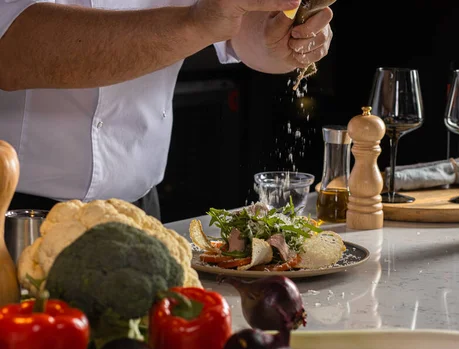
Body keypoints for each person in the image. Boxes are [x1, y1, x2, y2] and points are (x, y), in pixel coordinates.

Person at [0, 0, 334, 220]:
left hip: (138, 212)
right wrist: (196, 25)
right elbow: (11, 52)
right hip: (15, 215)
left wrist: (279, 38)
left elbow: (236, 28)